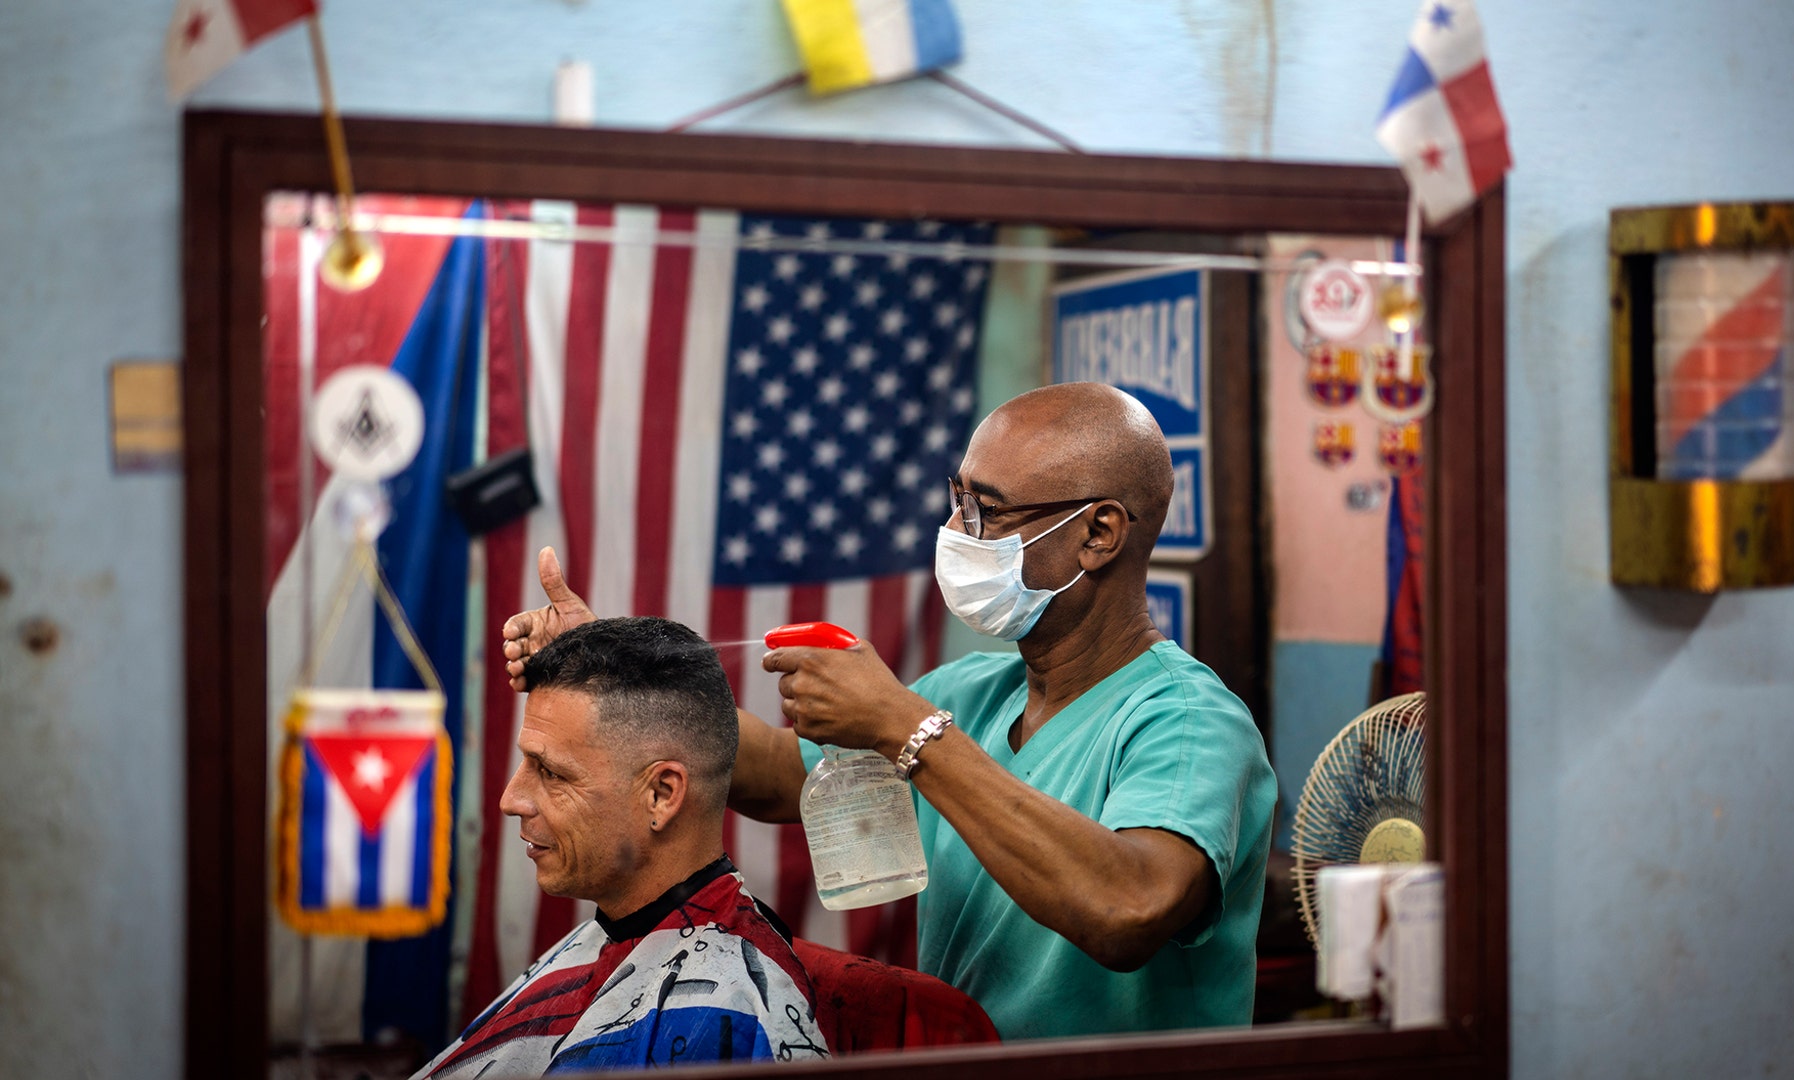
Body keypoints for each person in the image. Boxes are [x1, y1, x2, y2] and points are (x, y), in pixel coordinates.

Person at [503, 383, 1278, 1041]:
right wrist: (613, 664)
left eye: (989, 514)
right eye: (958, 502)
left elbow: (1128, 906)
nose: (956, 535)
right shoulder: (976, 692)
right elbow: (777, 776)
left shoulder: (1186, 724)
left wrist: (909, 731)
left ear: (1098, 534)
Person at [418, 617, 828, 1077]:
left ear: (662, 795)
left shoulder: (739, 1015)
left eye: (551, 773)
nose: (510, 800)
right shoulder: (611, 939)